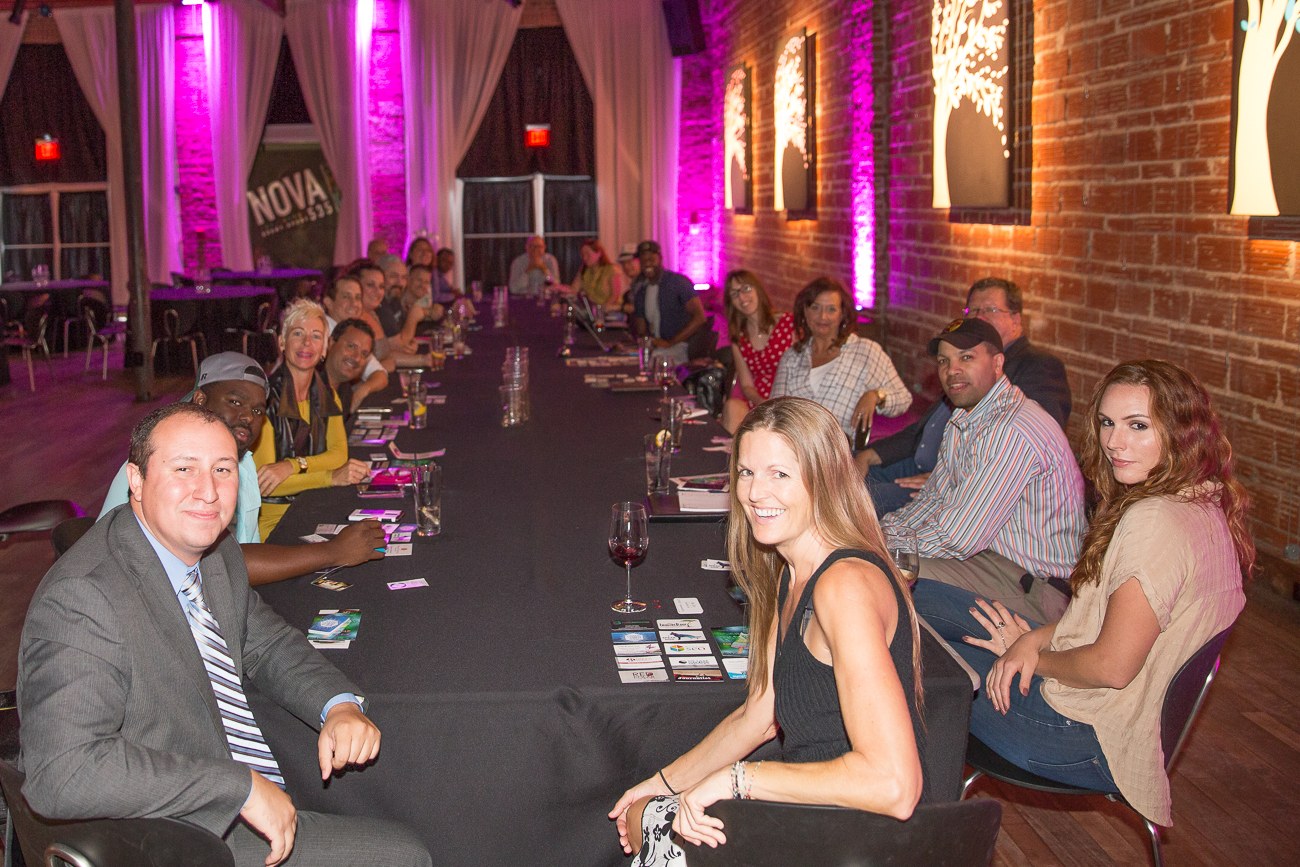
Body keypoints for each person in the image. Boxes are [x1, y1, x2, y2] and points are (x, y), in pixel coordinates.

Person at [20, 402, 432, 866]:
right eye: (184, 469)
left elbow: (266, 643)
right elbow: (62, 772)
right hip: (165, 835)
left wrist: (336, 704)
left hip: (220, 772)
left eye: (222, 469)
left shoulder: (211, 552)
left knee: (414, 786)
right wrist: (236, 788)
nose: (208, 492)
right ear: (136, 480)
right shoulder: (83, 598)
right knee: (404, 856)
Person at [912, 360, 1251, 829]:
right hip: (1098, 708)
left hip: (1074, 732)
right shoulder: (1200, 499)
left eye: (1137, 426)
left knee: (912, 661)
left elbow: (1112, 666)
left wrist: (1028, 656)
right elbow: (1123, 622)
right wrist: (1034, 640)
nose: (1115, 441)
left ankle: (915, 829)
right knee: (915, 596)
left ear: (1180, 430)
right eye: (1108, 423)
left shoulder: (1155, 522)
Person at [610, 397, 926, 865]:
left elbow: (895, 785)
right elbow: (758, 715)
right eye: (746, 472)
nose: (756, 493)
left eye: (780, 474)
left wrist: (739, 779)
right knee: (642, 817)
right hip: (814, 807)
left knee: (652, 832)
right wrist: (659, 785)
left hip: (855, 835)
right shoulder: (792, 571)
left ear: (824, 479)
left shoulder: (844, 586)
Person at [97, 352, 385, 586]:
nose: (248, 416)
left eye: (259, 410)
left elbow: (241, 557)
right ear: (200, 400)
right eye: (235, 402)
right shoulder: (166, 462)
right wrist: (333, 552)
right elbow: (221, 564)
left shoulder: (242, 463)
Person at [880, 318, 1085, 623]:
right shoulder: (964, 416)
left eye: (966, 357)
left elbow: (958, 537)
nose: (952, 370)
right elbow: (933, 500)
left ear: (998, 363)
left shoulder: (1011, 429)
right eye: (943, 361)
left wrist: (881, 546)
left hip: (1038, 591)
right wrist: (882, 532)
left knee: (878, 573)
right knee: (870, 559)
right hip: (992, 562)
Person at [859, 277, 1073, 515]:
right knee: (841, 475)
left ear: (1016, 320)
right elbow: (924, 428)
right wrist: (869, 454)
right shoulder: (959, 365)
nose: (978, 318)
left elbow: (1029, 444)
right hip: (918, 464)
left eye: (990, 309)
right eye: (973, 310)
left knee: (857, 501)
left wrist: (948, 479)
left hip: (963, 483)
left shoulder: (1038, 365)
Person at [252, 300, 369, 539]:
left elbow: (338, 454)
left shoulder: (326, 391)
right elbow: (266, 482)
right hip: (276, 523)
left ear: (324, 348)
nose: (307, 343)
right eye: (298, 333)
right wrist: (329, 477)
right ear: (282, 343)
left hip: (316, 506)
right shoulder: (264, 400)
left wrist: (292, 466)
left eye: (316, 336)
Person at [770, 277, 911, 442]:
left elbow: (904, 399)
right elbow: (774, 410)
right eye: (815, 307)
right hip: (794, 444)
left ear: (842, 314)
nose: (823, 316)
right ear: (805, 311)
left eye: (831, 309)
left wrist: (875, 395)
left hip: (836, 450)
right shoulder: (792, 357)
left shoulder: (865, 352)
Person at [719, 270, 796, 434]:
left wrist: (778, 404)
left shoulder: (788, 323)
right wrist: (763, 402)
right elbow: (746, 385)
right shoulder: (739, 338)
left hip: (787, 397)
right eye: (734, 294)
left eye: (746, 289)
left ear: (757, 290)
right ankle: (730, 458)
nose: (742, 297)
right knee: (732, 406)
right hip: (758, 400)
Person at [629, 240, 708, 366]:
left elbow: (700, 317)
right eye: (643, 261)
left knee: (652, 363)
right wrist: (640, 343)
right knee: (632, 362)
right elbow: (641, 330)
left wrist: (670, 342)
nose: (647, 264)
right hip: (657, 348)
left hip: (681, 347)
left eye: (651, 259)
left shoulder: (678, 283)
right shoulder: (641, 291)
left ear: (660, 259)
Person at [321, 273, 389, 406]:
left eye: (358, 298)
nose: (354, 304)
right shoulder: (319, 332)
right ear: (328, 302)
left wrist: (362, 390)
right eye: (346, 297)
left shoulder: (351, 333)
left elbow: (380, 374)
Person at [323, 318, 377, 418]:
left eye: (364, 354)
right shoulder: (308, 390)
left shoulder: (345, 392)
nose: (357, 358)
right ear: (330, 343)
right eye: (351, 346)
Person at [570, 238, 625, 311]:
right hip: (592, 312)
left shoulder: (611, 270)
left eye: (587, 254)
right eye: (583, 255)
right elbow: (573, 289)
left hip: (610, 311)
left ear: (599, 253)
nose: (584, 258)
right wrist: (558, 287)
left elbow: (615, 295)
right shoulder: (584, 270)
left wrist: (602, 309)